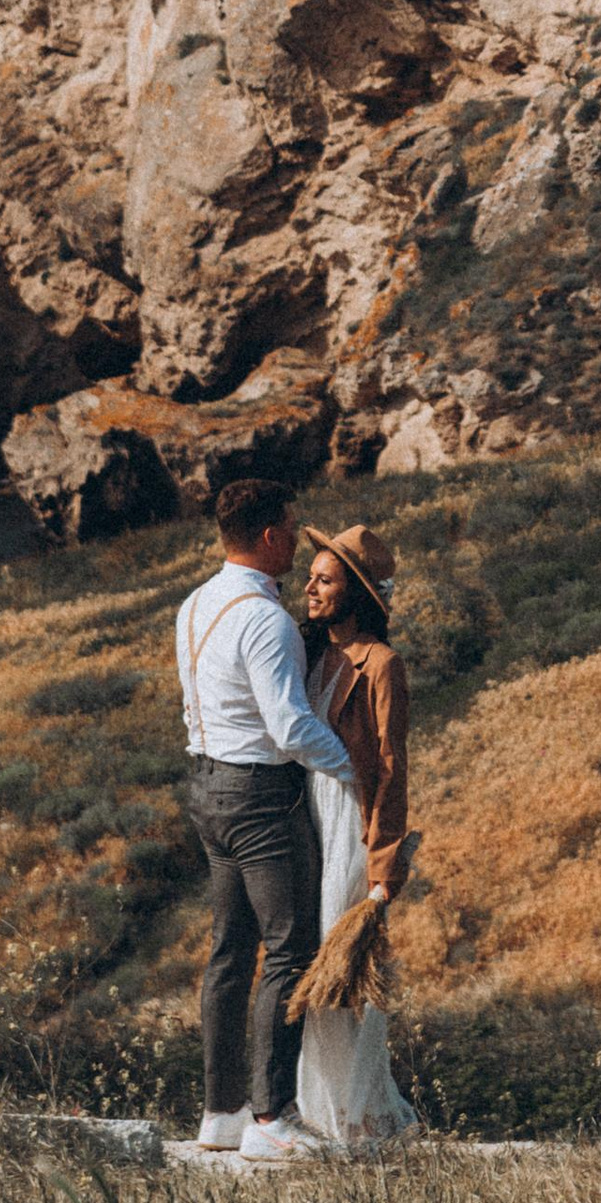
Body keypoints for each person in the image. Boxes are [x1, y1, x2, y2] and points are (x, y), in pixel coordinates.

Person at [174, 474, 362, 1163]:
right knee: (290, 947)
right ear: (270, 536)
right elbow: (289, 728)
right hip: (260, 796)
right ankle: (270, 1113)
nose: (294, 535)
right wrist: (356, 768)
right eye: (291, 524)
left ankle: (220, 1111)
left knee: (229, 951)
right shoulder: (265, 618)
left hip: (207, 787)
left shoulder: (195, 604)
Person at [292, 520, 420, 1156]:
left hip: (348, 816)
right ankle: (325, 1112)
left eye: (324, 580)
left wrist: (383, 868)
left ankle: (362, 1115)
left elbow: (392, 768)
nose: (310, 588)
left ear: (357, 592)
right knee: (312, 962)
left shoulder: (382, 665)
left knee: (344, 965)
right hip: (311, 818)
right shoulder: (317, 658)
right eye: (311, 577)